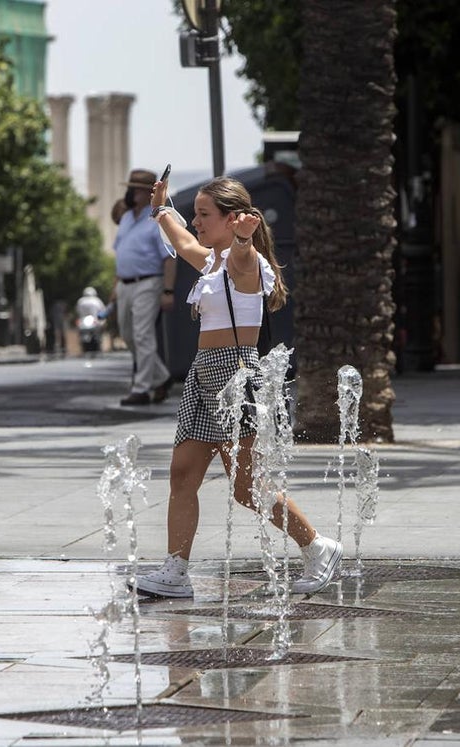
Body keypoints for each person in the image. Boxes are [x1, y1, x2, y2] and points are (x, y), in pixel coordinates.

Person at [133, 175, 343, 598]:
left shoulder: (247, 263)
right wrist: (160, 209)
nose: (195, 223)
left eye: (204, 215)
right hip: (203, 372)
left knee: (248, 487)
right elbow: (178, 234)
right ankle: (175, 571)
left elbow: (242, 261)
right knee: (182, 474)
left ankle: (318, 547)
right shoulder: (210, 260)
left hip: (235, 375)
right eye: (195, 214)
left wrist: (245, 241)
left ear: (233, 220)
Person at [113, 169, 176, 406]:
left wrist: (167, 291)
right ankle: (162, 377)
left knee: (142, 334)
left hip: (148, 282)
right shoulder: (128, 217)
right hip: (125, 283)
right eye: (133, 188)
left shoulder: (157, 218)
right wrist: (115, 283)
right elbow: (120, 251)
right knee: (128, 334)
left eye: (140, 189)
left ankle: (141, 388)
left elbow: (169, 257)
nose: (135, 193)